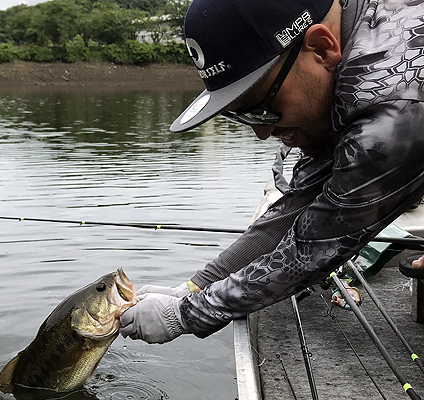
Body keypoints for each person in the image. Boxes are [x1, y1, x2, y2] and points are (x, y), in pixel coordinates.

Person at [119, 0, 424, 344]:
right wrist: (193, 287)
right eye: (242, 116)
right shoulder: (352, 49)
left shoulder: (395, 104)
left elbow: (312, 249)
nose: (262, 133)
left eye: (264, 109)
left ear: (321, 48)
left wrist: (187, 314)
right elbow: (294, 209)